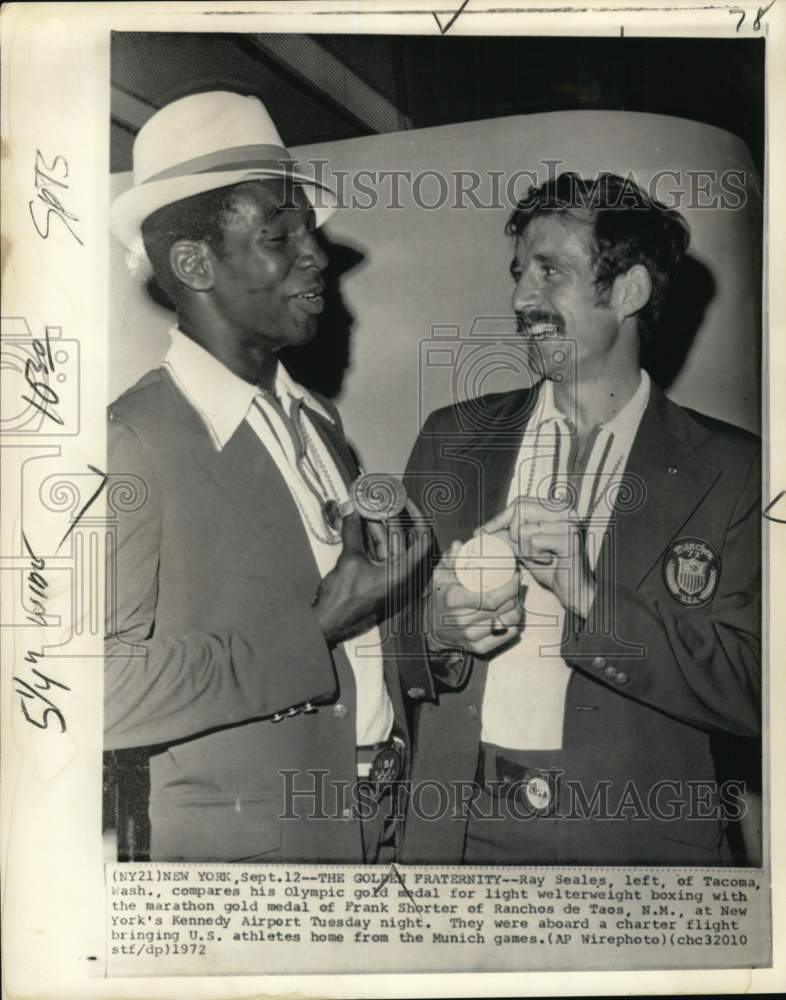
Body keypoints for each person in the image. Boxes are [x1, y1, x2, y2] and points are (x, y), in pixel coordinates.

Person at [399, 172, 761, 866]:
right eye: (518, 274)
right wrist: (436, 633)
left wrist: (592, 599)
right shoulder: (453, 439)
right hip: (455, 839)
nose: (520, 299)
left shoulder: (736, 471)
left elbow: (757, 688)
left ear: (628, 292)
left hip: (633, 852)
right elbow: (385, 636)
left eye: (551, 272)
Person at [105, 91, 429, 863]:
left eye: (308, 232)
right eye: (279, 236)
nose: (316, 255)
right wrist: (319, 624)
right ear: (193, 263)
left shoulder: (316, 422)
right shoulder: (130, 441)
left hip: (377, 829)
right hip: (253, 857)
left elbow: (357, 631)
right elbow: (93, 696)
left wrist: (432, 634)